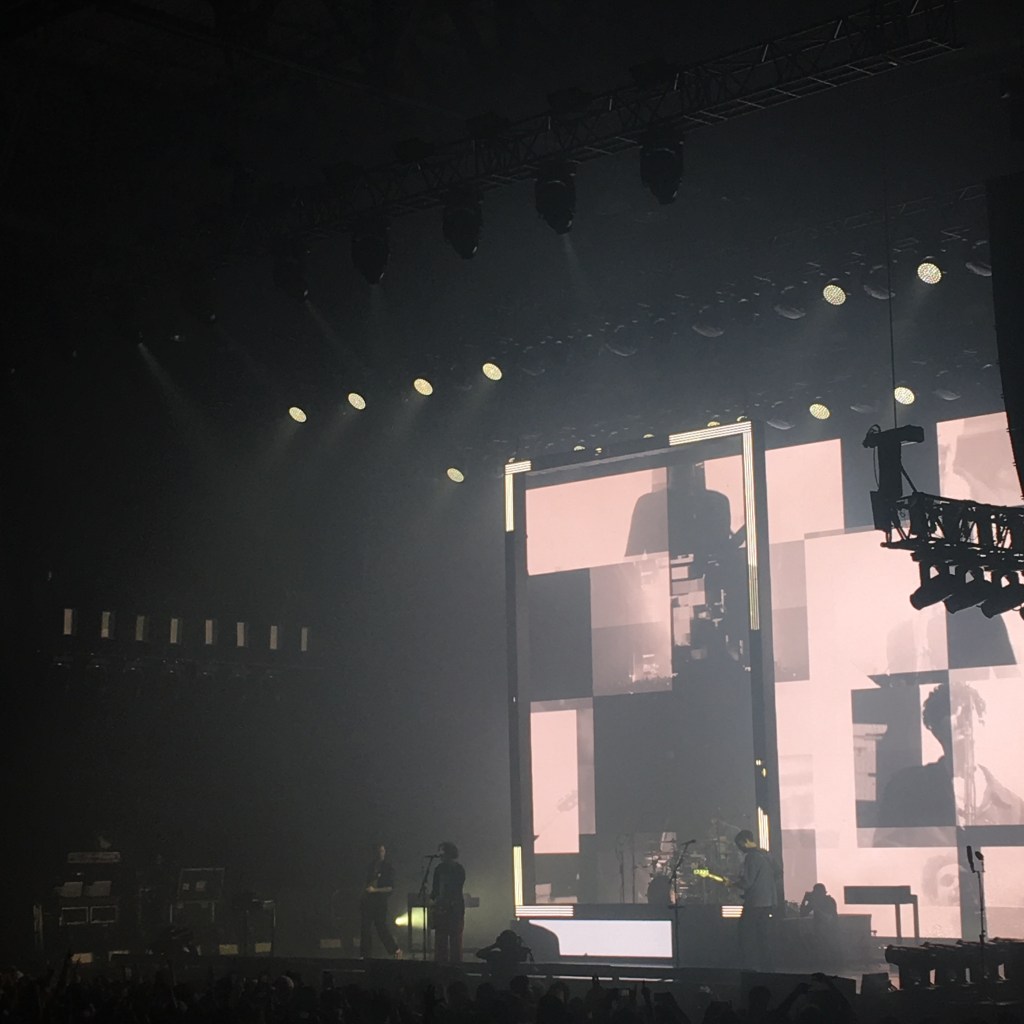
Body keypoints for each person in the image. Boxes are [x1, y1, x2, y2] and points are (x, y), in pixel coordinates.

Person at [732, 830, 778, 971]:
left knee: (746, 935)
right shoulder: (766, 855)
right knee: (764, 936)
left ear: (745, 841)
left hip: (755, 903)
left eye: (739, 844)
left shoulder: (751, 858)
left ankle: (749, 966)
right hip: (768, 901)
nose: (739, 848)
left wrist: (733, 883)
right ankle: (768, 967)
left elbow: (747, 882)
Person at [360, 844, 401, 958]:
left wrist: (375, 890)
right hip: (368, 901)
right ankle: (365, 954)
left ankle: (395, 950)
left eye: (382, 851)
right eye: (378, 851)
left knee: (381, 926)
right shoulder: (370, 867)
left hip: (380, 902)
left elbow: (390, 888)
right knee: (365, 927)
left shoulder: (388, 868)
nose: (380, 854)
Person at [431, 841, 466, 963]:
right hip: (442, 909)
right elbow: (435, 890)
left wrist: (445, 901)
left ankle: (455, 966)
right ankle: (441, 965)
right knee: (441, 942)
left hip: (455, 909)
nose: (440, 854)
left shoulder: (458, 869)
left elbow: (457, 888)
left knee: (455, 941)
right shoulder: (439, 869)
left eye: (442, 851)